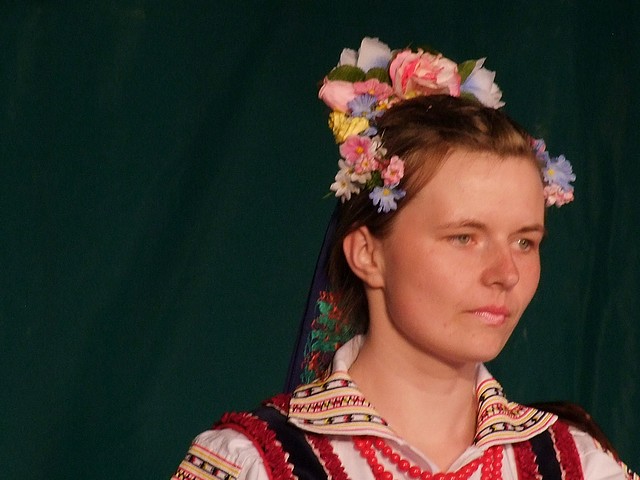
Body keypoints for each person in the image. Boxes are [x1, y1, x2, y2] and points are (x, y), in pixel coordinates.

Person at [171, 38, 637, 480]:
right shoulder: (252, 464)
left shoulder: (579, 464)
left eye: (524, 242)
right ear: (367, 253)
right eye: (464, 237)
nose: (506, 274)